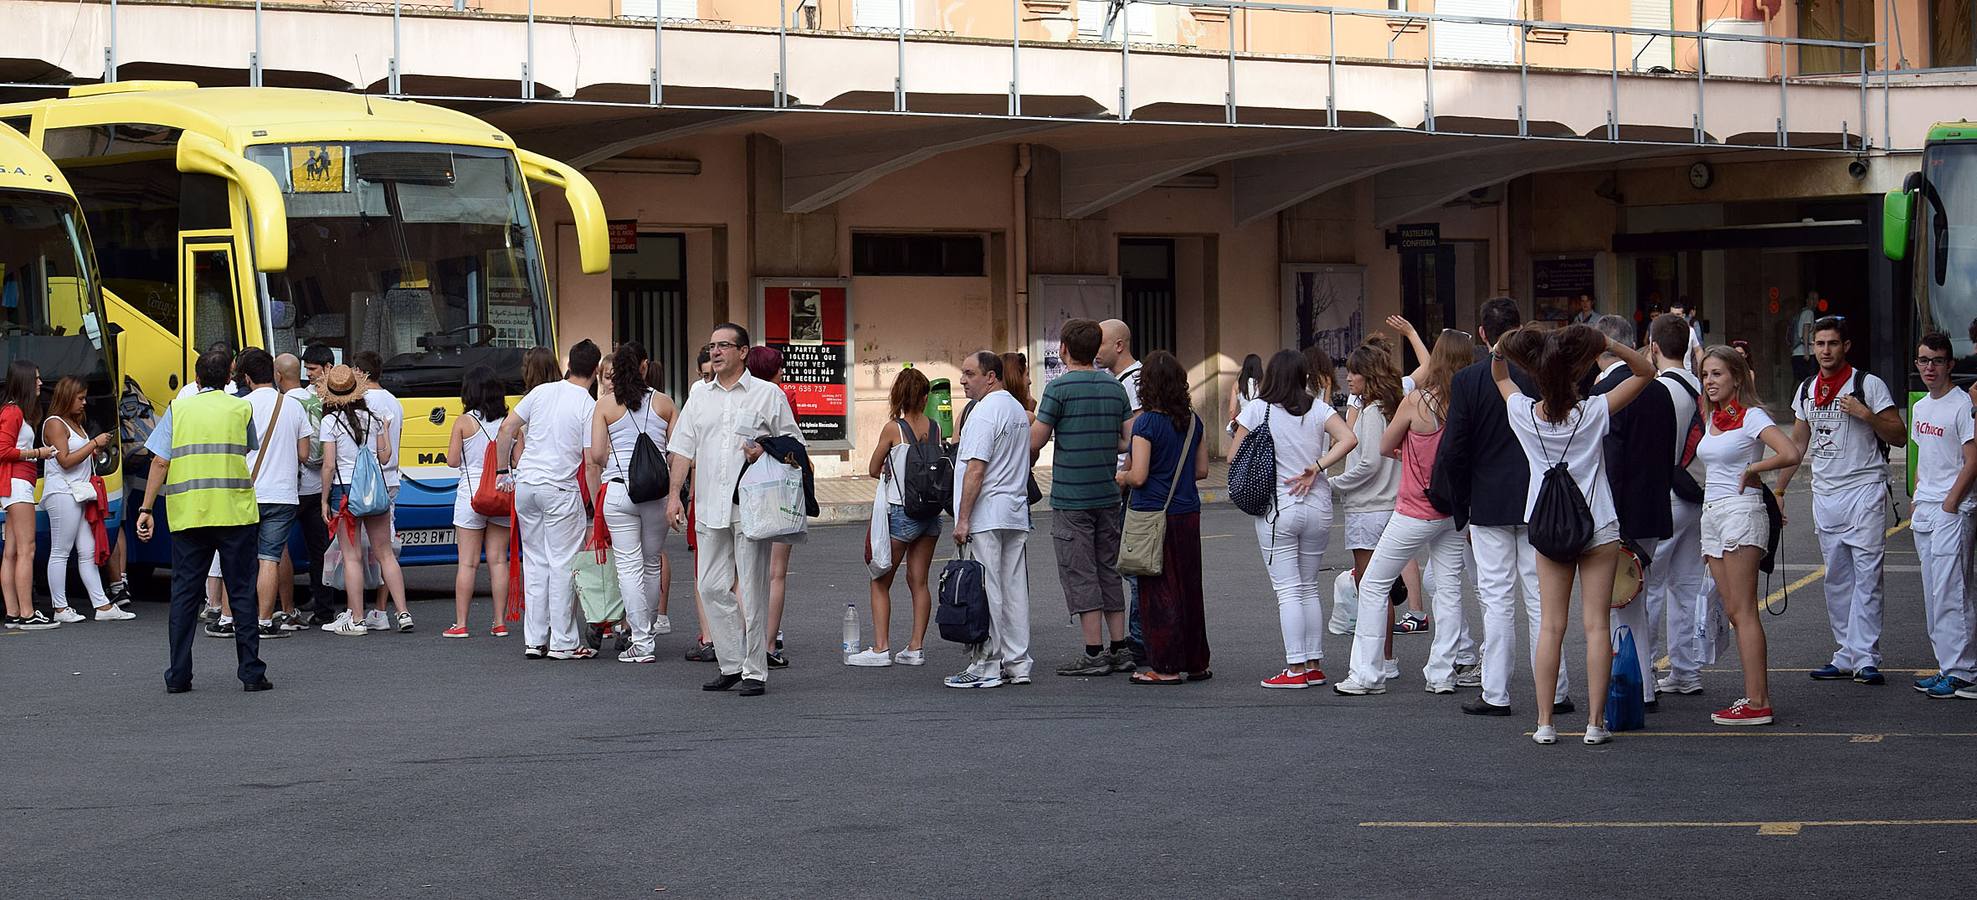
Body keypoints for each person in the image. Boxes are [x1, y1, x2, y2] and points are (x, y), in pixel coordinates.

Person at [1495, 324, 1655, 745]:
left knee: (1550, 626)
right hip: (1598, 524)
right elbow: (1645, 372)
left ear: (1538, 375)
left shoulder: (1523, 414)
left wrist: (1500, 347)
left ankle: (1546, 722)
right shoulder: (1595, 411)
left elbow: (1500, 376)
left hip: (1547, 525)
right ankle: (1594, 724)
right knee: (1596, 626)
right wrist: (1609, 343)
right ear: (1574, 373)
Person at [1435, 298, 1572, 719]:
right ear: (1523, 328)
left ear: (1482, 334)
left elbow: (1454, 450)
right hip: (1539, 499)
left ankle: (1496, 692)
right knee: (1541, 600)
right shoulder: (1543, 376)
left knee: (1496, 599)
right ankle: (1558, 690)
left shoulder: (1470, 380)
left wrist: (1460, 505)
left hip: (1489, 501)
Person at [665, 324, 800, 696]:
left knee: (753, 591)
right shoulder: (699, 397)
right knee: (709, 586)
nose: (716, 351)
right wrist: (675, 495)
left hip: (751, 506)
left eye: (724, 345)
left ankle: (754, 670)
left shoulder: (767, 394)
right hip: (709, 505)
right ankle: (730, 661)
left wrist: (765, 449)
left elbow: (793, 444)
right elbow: (682, 449)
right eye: (712, 346)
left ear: (743, 352)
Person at [1335, 329, 1472, 697]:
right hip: (1453, 509)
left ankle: (1367, 673)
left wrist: (1407, 453)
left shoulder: (1416, 401)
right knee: (1448, 589)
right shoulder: (1467, 401)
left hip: (1415, 506)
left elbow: (1383, 446)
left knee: (1375, 584)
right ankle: (1442, 672)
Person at [1778, 315, 1907, 686]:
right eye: (1819, 344)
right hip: (1826, 493)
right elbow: (1798, 445)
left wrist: (1865, 414)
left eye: (1832, 343)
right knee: (1836, 576)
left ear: (1845, 346)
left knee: (1867, 574)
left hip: (1864, 488)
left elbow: (1898, 435)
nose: (1825, 350)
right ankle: (1845, 653)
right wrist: (1780, 491)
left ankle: (1866, 656)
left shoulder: (1868, 385)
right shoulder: (1806, 389)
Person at [135, 348, 270, 692]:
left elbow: (160, 462)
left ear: (196, 379)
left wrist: (146, 508)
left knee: (184, 594)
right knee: (241, 593)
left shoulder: (179, 409)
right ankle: (251, 673)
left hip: (189, 515)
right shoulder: (241, 407)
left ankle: (178, 675)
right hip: (235, 514)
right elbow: (245, 449)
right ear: (229, 378)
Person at [1234, 349, 1355, 688]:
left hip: (1279, 509)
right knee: (1308, 587)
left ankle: (1295, 668)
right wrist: (1317, 467)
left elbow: (1233, 455)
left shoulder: (1259, 409)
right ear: (1304, 376)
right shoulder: (1319, 408)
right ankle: (1313, 664)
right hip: (1318, 506)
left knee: (1287, 591)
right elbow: (1348, 438)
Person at [1693, 345, 1797, 725]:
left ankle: (1758, 702)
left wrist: (1755, 469)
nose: (1710, 381)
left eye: (1717, 374)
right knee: (1735, 611)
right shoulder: (1713, 417)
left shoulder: (1751, 416)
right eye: (1705, 375)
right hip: (1713, 514)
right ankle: (1755, 697)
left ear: (1737, 377)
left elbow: (1790, 451)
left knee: (1745, 610)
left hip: (1741, 513)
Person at [1033, 318, 1134, 677]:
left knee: (1080, 571)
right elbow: (1127, 440)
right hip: (1107, 493)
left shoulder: (1058, 389)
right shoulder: (1114, 388)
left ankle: (1093, 652)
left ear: (1063, 349)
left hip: (1072, 497)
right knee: (1108, 567)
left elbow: (1036, 440)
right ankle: (1120, 647)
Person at [1587, 315, 1675, 711]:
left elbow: (1611, 461)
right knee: (1633, 602)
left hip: (1619, 511)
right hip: (1653, 505)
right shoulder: (1658, 390)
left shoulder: (1605, 393)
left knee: (1617, 606)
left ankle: (1631, 685)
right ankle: (1644, 684)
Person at [498, 340, 601, 661]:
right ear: (596, 370)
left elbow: (506, 429)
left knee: (536, 561)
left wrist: (504, 470)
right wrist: (597, 506)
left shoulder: (540, 392)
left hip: (526, 485)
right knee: (562, 564)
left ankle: (535, 639)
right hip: (559, 488)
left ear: (570, 363)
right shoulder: (588, 405)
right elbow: (591, 461)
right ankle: (563, 642)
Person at [1117, 351, 1211, 684]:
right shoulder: (1193, 421)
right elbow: (1201, 470)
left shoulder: (1145, 423)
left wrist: (1122, 477)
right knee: (1188, 587)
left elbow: (1139, 475)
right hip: (1187, 512)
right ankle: (1196, 661)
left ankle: (1165, 666)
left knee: (1157, 591)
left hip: (1152, 514)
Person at [945, 350, 1035, 689]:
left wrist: (962, 519)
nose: (963, 380)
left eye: (969, 373)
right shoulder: (1015, 409)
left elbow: (975, 468)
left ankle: (987, 663)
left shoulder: (983, 413)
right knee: (1013, 588)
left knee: (986, 588)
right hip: (1014, 509)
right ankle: (1018, 662)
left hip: (986, 512)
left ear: (991, 376)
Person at [587, 343, 677, 664]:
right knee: (651, 564)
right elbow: (677, 450)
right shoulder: (665, 403)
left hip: (619, 490)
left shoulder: (605, 406)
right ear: (644, 366)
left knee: (628, 566)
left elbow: (596, 456)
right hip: (656, 493)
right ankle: (646, 635)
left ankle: (641, 642)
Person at [1642, 315, 1713, 697]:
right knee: (1685, 585)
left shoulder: (1659, 389)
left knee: (1649, 586)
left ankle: (1647, 669)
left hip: (1666, 492)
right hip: (1694, 492)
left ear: (1653, 346)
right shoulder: (1697, 383)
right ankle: (1686, 670)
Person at [851, 367, 941, 667]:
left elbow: (874, 468)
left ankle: (880, 648)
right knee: (919, 582)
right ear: (925, 396)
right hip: (930, 513)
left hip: (902, 512)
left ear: (898, 396)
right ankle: (915, 647)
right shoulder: (935, 427)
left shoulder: (894, 429)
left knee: (880, 580)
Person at [316, 365, 411, 638]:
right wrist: (385, 430)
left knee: (352, 557)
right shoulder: (374, 418)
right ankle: (403, 612)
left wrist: (324, 500)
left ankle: (357, 619)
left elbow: (328, 466)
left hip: (345, 494)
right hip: (376, 491)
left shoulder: (329, 423)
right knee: (385, 553)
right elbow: (384, 458)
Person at [1907, 333, 1977, 699]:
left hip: (1954, 509)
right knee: (1935, 593)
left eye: (1936, 360)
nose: (1929, 367)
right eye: (1923, 360)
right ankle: (1948, 666)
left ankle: (1964, 672)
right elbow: (1924, 456)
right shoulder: (1921, 407)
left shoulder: (1962, 405)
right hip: (1927, 508)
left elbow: (1973, 460)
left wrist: (1951, 504)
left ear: (1950, 364)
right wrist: (1919, 496)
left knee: (1953, 592)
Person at [236, 348, 312, 641]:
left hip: (248, 492)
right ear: (274, 374)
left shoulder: (242, 406)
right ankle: (265, 621)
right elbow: (304, 454)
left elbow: (236, 450)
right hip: (283, 494)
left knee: (242, 556)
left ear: (246, 377)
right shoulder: (292, 406)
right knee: (270, 558)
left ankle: (234, 617)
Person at [41, 376, 127, 623]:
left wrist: (94, 449)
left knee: (87, 551)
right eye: (80, 398)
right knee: (61, 551)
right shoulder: (55, 423)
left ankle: (102, 606)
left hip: (77, 492)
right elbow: (65, 461)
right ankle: (60, 608)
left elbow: (76, 456)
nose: (84, 402)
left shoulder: (72, 422)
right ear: (67, 397)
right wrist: (93, 444)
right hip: (63, 493)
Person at [444, 365, 513, 638]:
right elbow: (518, 460)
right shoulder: (510, 423)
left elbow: (452, 461)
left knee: (468, 563)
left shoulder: (463, 422)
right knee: (498, 561)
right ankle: (499, 622)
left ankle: (461, 624)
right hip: (502, 492)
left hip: (470, 496)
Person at [1097, 318, 1147, 663]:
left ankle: (1140, 640)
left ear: (1119, 345)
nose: (1095, 351)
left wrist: (1127, 474)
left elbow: (1140, 434)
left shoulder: (1134, 382)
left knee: (1134, 565)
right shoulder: (1118, 380)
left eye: (1100, 344)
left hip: (1128, 486)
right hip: (1124, 482)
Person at [746, 345, 798, 668]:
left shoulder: (739, 397)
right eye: (778, 367)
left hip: (746, 488)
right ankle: (768, 643)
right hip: (776, 488)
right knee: (776, 572)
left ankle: (746, 639)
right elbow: (793, 443)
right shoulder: (780, 396)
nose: (782, 372)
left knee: (745, 571)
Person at [350, 350, 409, 632]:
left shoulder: (362, 403)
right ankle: (382, 609)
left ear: (360, 374)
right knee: (386, 549)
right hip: (390, 479)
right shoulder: (394, 402)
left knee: (354, 550)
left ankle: (355, 612)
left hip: (365, 482)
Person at [279, 350, 336, 627]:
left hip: (294, 485)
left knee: (276, 548)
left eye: (312, 368)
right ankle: (325, 608)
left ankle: (283, 607)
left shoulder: (290, 400)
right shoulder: (330, 398)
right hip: (319, 487)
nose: (309, 373)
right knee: (320, 549)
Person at [0, 360, 55, 630]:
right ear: (24, 381)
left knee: (11, 551)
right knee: (26, 550)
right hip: (19, 483)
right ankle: (26, 612)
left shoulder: (12, 410)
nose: (40, 383)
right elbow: (3, 450)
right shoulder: (14, 413)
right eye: (36, 378)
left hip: (14, 484)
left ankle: (13, 612)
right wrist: (38, 453)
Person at [1226, 353, 1263, 435]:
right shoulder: (1262, 384)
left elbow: (1232, 411)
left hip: (1244, 424)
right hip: (1260, 424)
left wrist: (1233, 422)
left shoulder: (1237, 384)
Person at [1791, 291, 1819, 384]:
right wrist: (1806, 352)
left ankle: (1794, 398)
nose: (1814, 301)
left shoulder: (1801, 313)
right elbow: (1805, 331)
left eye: (1816, 299)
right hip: (1805, 353)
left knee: (1798, 381)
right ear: (1807, 300)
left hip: (1797, 352)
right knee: (1808, 381)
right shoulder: (1808, 313)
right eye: (1812, 299)